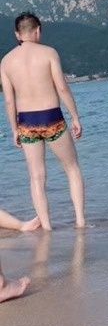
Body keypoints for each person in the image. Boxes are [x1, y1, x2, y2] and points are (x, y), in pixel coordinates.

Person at [1, 12, 86, 230]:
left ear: (17, 34)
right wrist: (75, 116)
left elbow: (9, 100)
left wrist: (14, 129)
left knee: (37, 178)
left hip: (26, 122)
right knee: (72, 168)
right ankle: (80, 222)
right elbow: (62, 88)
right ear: (38, 31)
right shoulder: (49, 53)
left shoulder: (6, 61)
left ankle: (46, 227)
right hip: (51, 117)